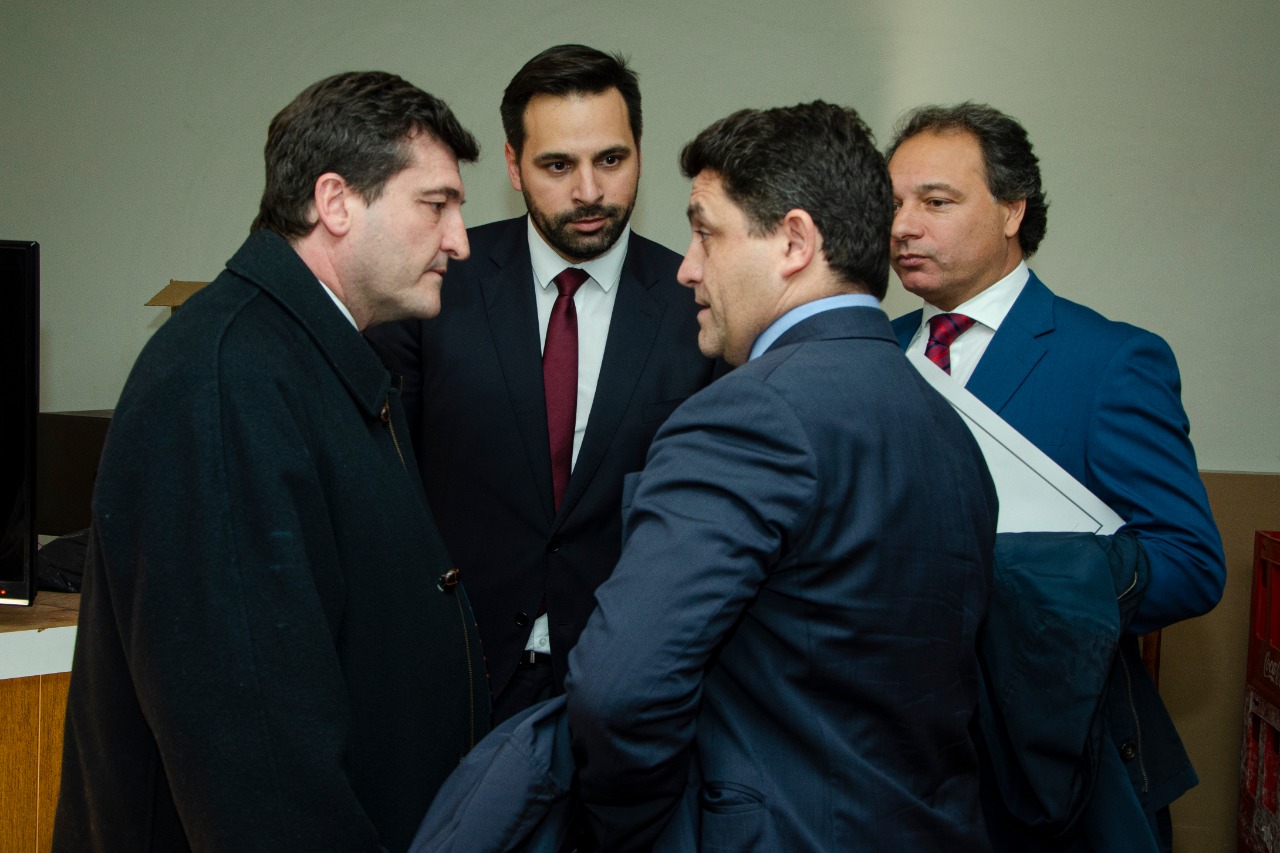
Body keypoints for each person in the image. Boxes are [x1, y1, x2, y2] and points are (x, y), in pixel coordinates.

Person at [53, 72, 489, 853]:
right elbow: (251, 750)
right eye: (436, 204)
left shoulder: (306, 357)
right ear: (336, 201)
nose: (459, 239)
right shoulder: (227, 377)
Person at [564, 101, 998, 852]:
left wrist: (641, 831)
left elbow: (619, 690)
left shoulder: (746, 416)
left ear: (794, 242)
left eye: (706, 232)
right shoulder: (944, 424)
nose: (686, 267)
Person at [887, 102, 1226, 851]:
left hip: (1057, 760)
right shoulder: (872, 352)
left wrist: (1010, 579)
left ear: (1012, 210)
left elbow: (1191, 563)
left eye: (935, 202)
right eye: (894, 203)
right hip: (903, 761)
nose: (903, 226)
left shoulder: (1109, 360)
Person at [366, 44, 715, 724]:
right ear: (513, 165)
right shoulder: (435, 287)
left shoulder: (696, 303)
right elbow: (384, 488)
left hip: (629, 682)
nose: (589, 191)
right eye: (558, 165)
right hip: (459, 673)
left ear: (639, 152)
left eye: (610, 160)